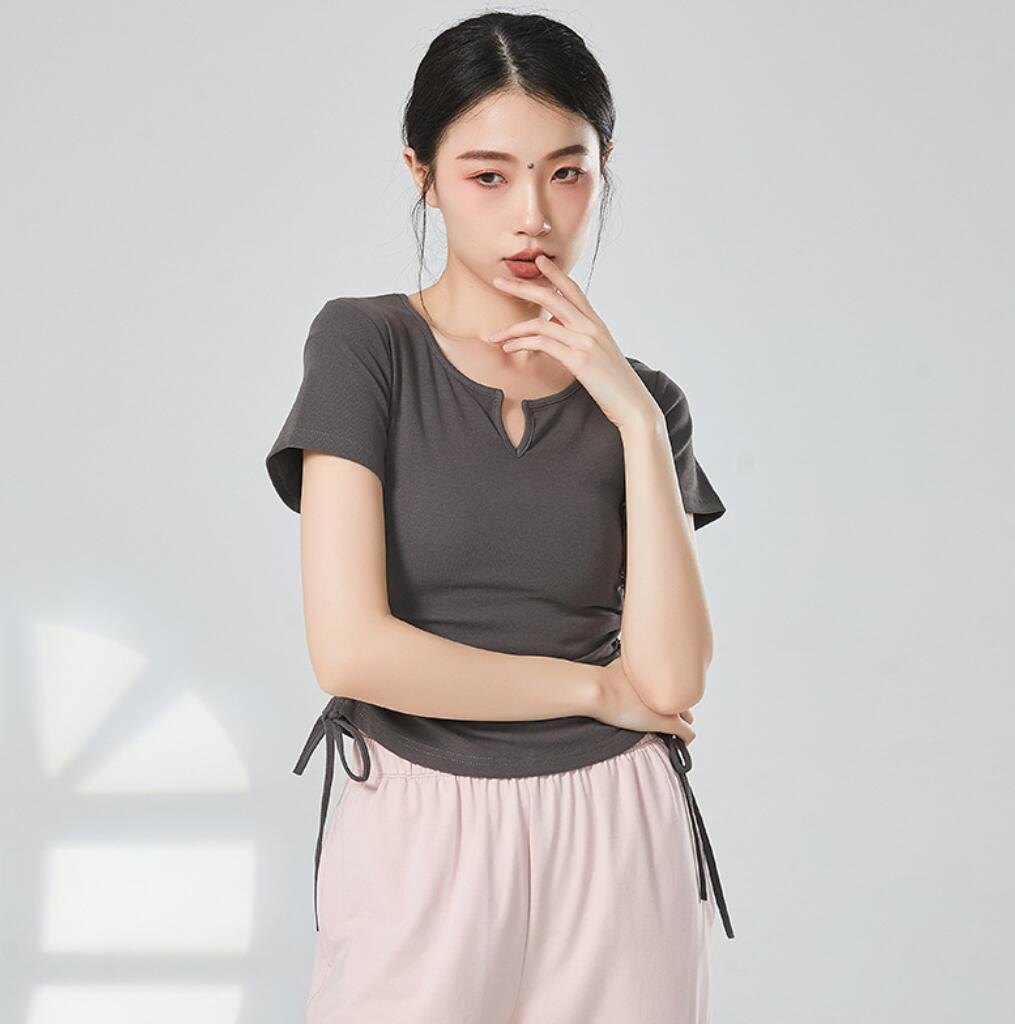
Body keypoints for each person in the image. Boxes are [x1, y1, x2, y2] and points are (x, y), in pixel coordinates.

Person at [266, 11, 734, 1023]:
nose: (532, 215)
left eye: (566, 172)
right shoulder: (365, 346)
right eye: (488, 175)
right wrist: (592, 688)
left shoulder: (645, 404)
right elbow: (350, 651)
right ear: (423, 175)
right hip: (417, 813)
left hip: (619, 823)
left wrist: (635, 421)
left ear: (602, 172)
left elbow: (670, 681)